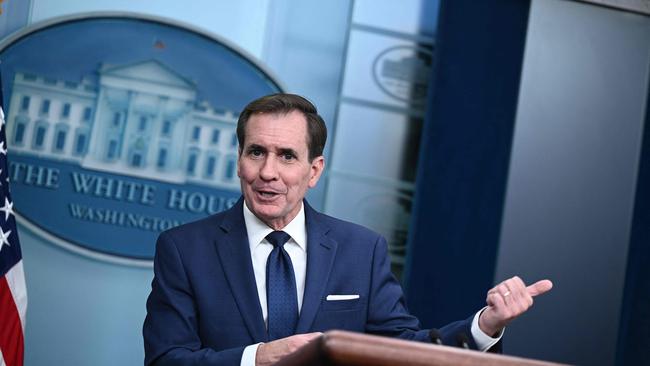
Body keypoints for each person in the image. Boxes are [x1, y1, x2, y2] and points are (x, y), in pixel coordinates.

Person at [143, 93, 553, 366]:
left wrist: (485, 325)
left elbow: (402, 351)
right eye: (256, 152)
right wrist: (259, 357)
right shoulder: (184, 249)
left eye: (287, 156)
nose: (268, 172)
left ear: (314, 171)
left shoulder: (362, 250)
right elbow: (166, 359)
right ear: (239, 160)